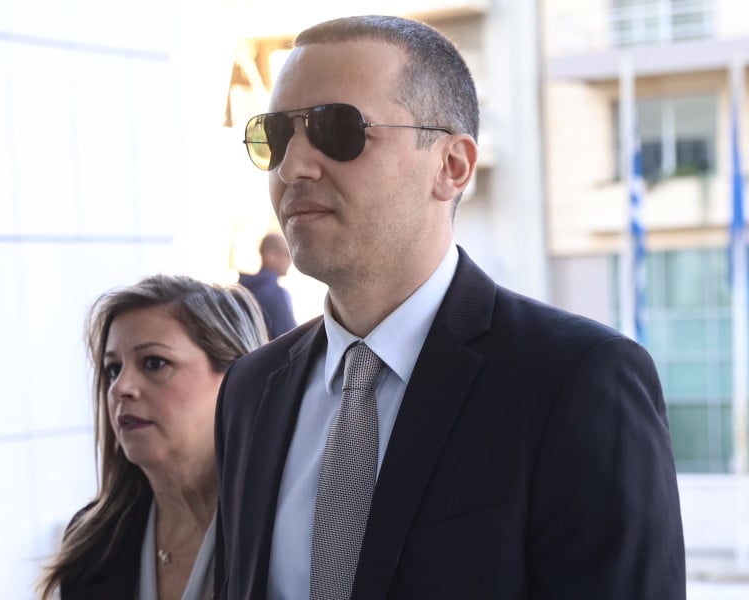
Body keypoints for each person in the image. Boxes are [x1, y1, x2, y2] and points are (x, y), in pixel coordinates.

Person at [216, 14, 685, 600]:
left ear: (452, 166)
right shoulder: (250, 389)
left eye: (338, 129)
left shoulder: (578, 381)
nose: (292, 168)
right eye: (277, 135)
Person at [38, 274, 267, 600]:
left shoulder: (282, 531)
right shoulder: (93, 541)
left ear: (236, 377)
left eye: (154, 363)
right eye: (113, 368)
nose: (120, 388)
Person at [238, 232, 298, 338]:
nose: (291, 260)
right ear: (271, 256)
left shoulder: (241, 289)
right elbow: (290, 338)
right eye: (287, 254)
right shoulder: (276, 294)